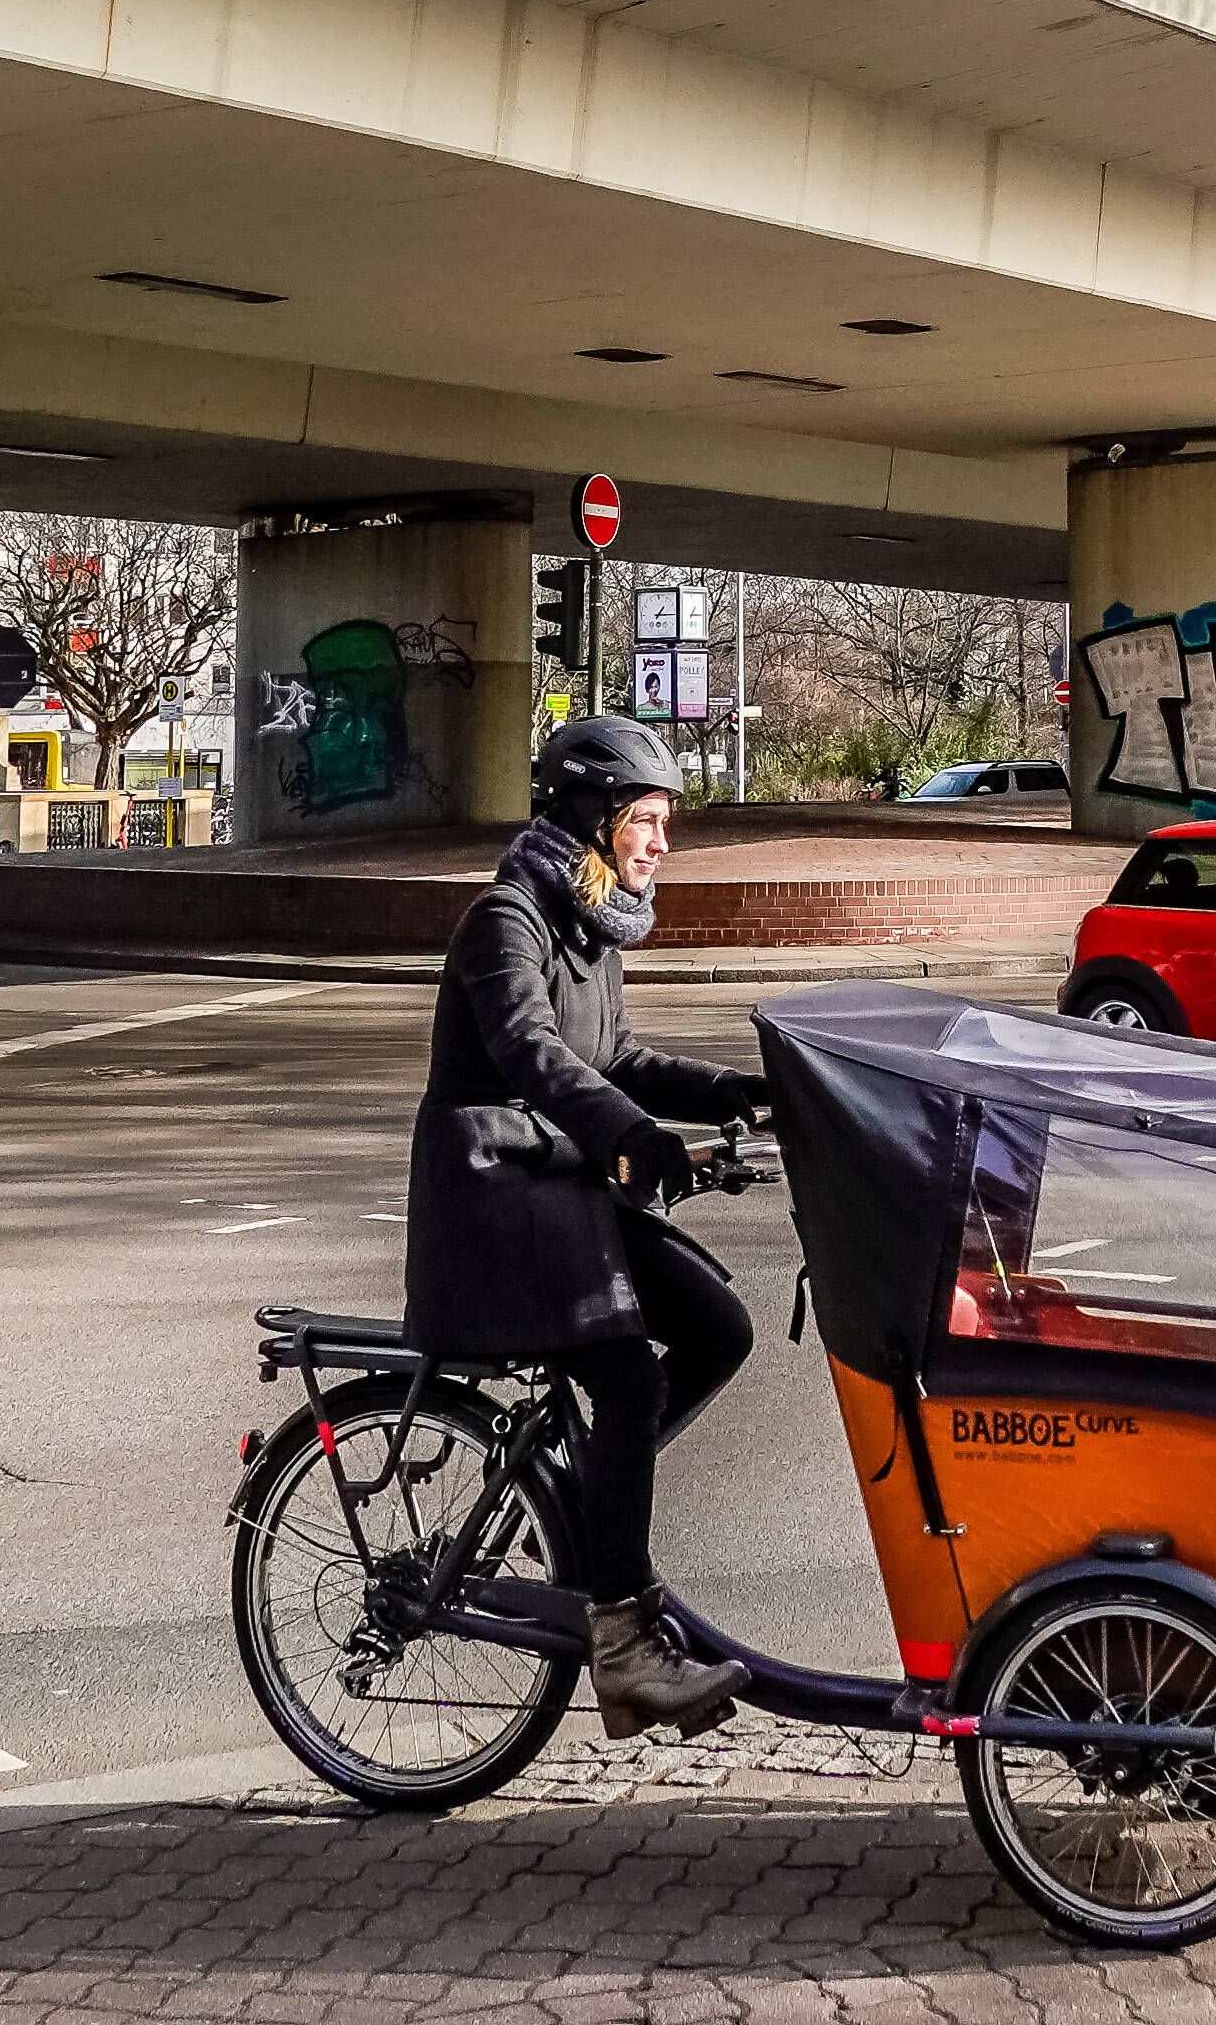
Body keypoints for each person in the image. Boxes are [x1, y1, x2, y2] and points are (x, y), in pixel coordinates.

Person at [404, 711, 774, 1740]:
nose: (662, 840)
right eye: (648, 818)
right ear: (594, 818)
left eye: (664, 822)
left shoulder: (589, 922)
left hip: (559, 1195)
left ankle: (589, 1504)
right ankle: (622, 1644)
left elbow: (613, 1058)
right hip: (498, 1205)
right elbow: (533, 1055)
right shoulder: (507, 920)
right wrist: (632, 1134)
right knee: (630, 1375)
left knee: (716, 1329)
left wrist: (736, 1091)